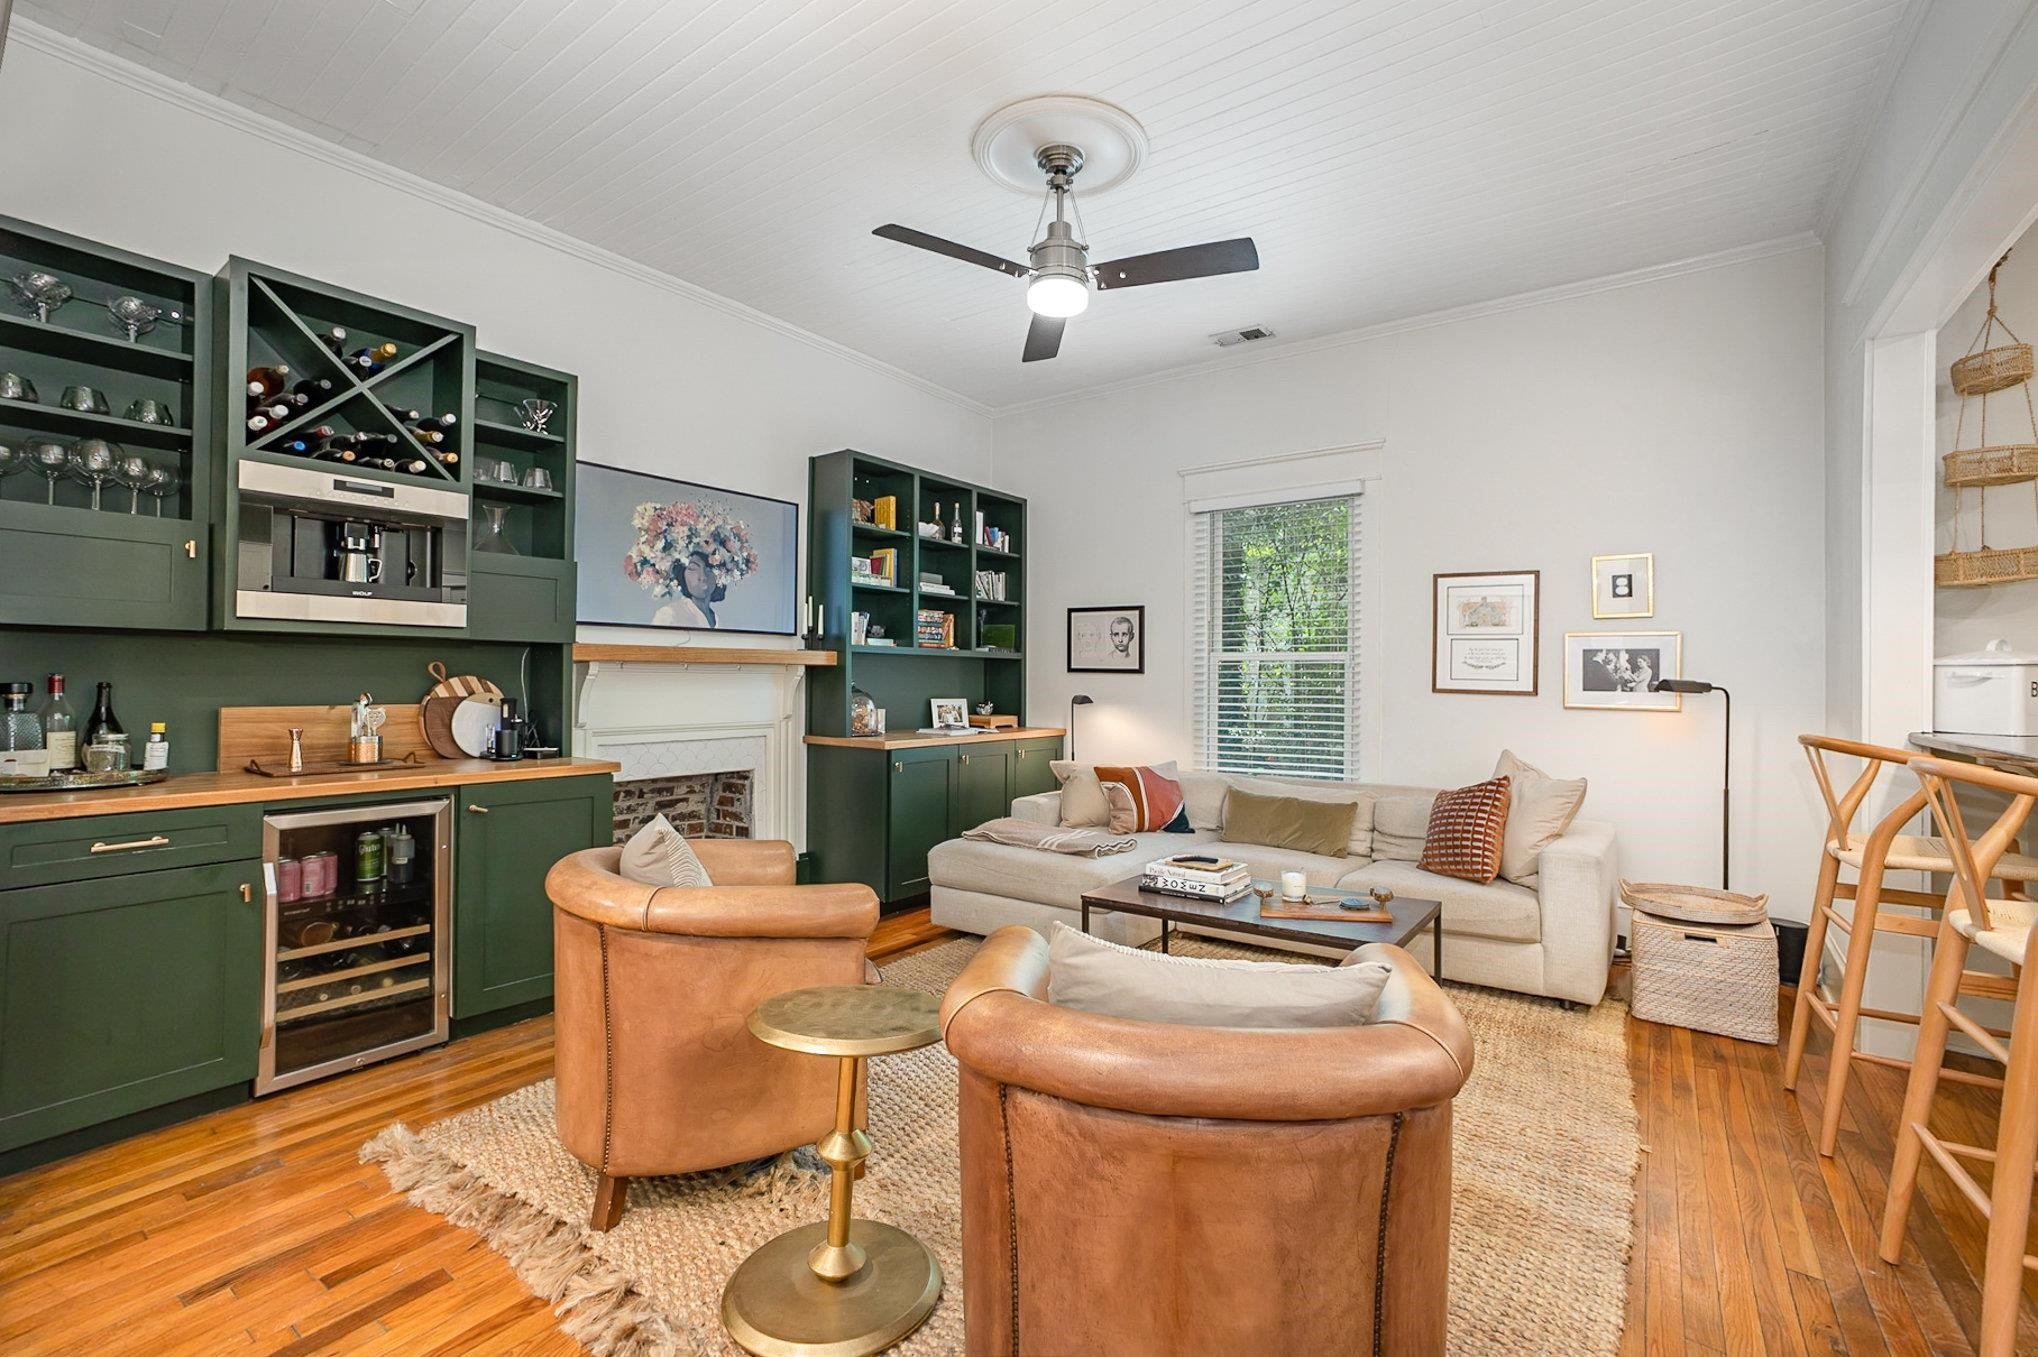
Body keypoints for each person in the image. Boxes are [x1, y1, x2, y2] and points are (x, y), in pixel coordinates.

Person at [653, 551, 724, 628]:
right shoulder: (669, 615)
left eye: (709, 569)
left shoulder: (717, 620)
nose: (703, 576)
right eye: (693, 569)